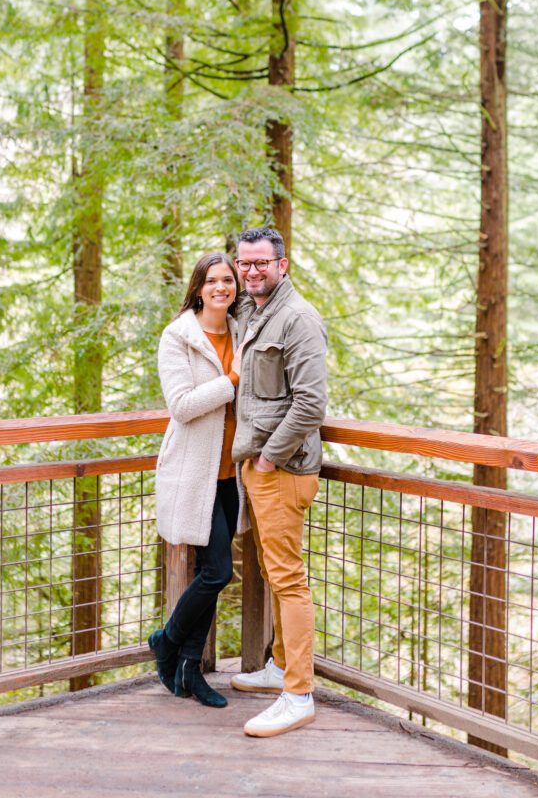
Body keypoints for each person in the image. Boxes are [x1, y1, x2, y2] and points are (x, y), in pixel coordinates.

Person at [229, 226, 327, 737]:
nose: (251, 271)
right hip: (261, 467)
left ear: (282, 265)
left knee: (288, 580)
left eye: (261, 263)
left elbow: (311, 403)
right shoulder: (255, 312)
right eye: (245, 263)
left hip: (282, 470)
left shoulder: (298, 319)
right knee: (273, 571)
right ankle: (279, 667)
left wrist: (267, 459)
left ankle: (299, 693)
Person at [148, 252, 245, 708]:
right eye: (213, 281)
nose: (222, 287)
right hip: (195, 473)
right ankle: (167, 641)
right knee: (218, 571)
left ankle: (189, 668)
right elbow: (182, 405)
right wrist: (231, 379)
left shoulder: (243, 329)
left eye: (229, 280)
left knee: (214, 570)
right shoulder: (179, 336)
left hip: (231, 473)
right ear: (199, 288)